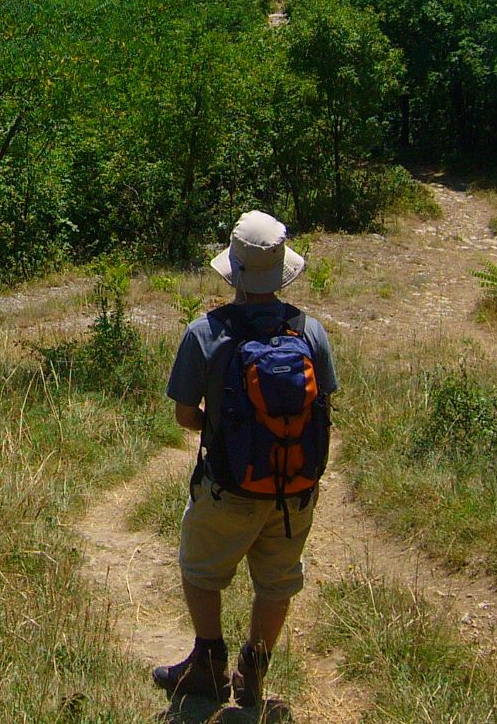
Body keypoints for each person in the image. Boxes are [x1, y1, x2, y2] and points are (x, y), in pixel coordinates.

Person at [153, 210, 338, 710]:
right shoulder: (311, 332)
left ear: (233, 270)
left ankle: (207, 666)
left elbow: (185, 417)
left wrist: (225, 430)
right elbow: (322, 407)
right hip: (294, 490)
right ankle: (253, 673)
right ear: (281, 269)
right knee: (277, 582)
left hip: (229, 488)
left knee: (199, 568)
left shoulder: (204, 333)